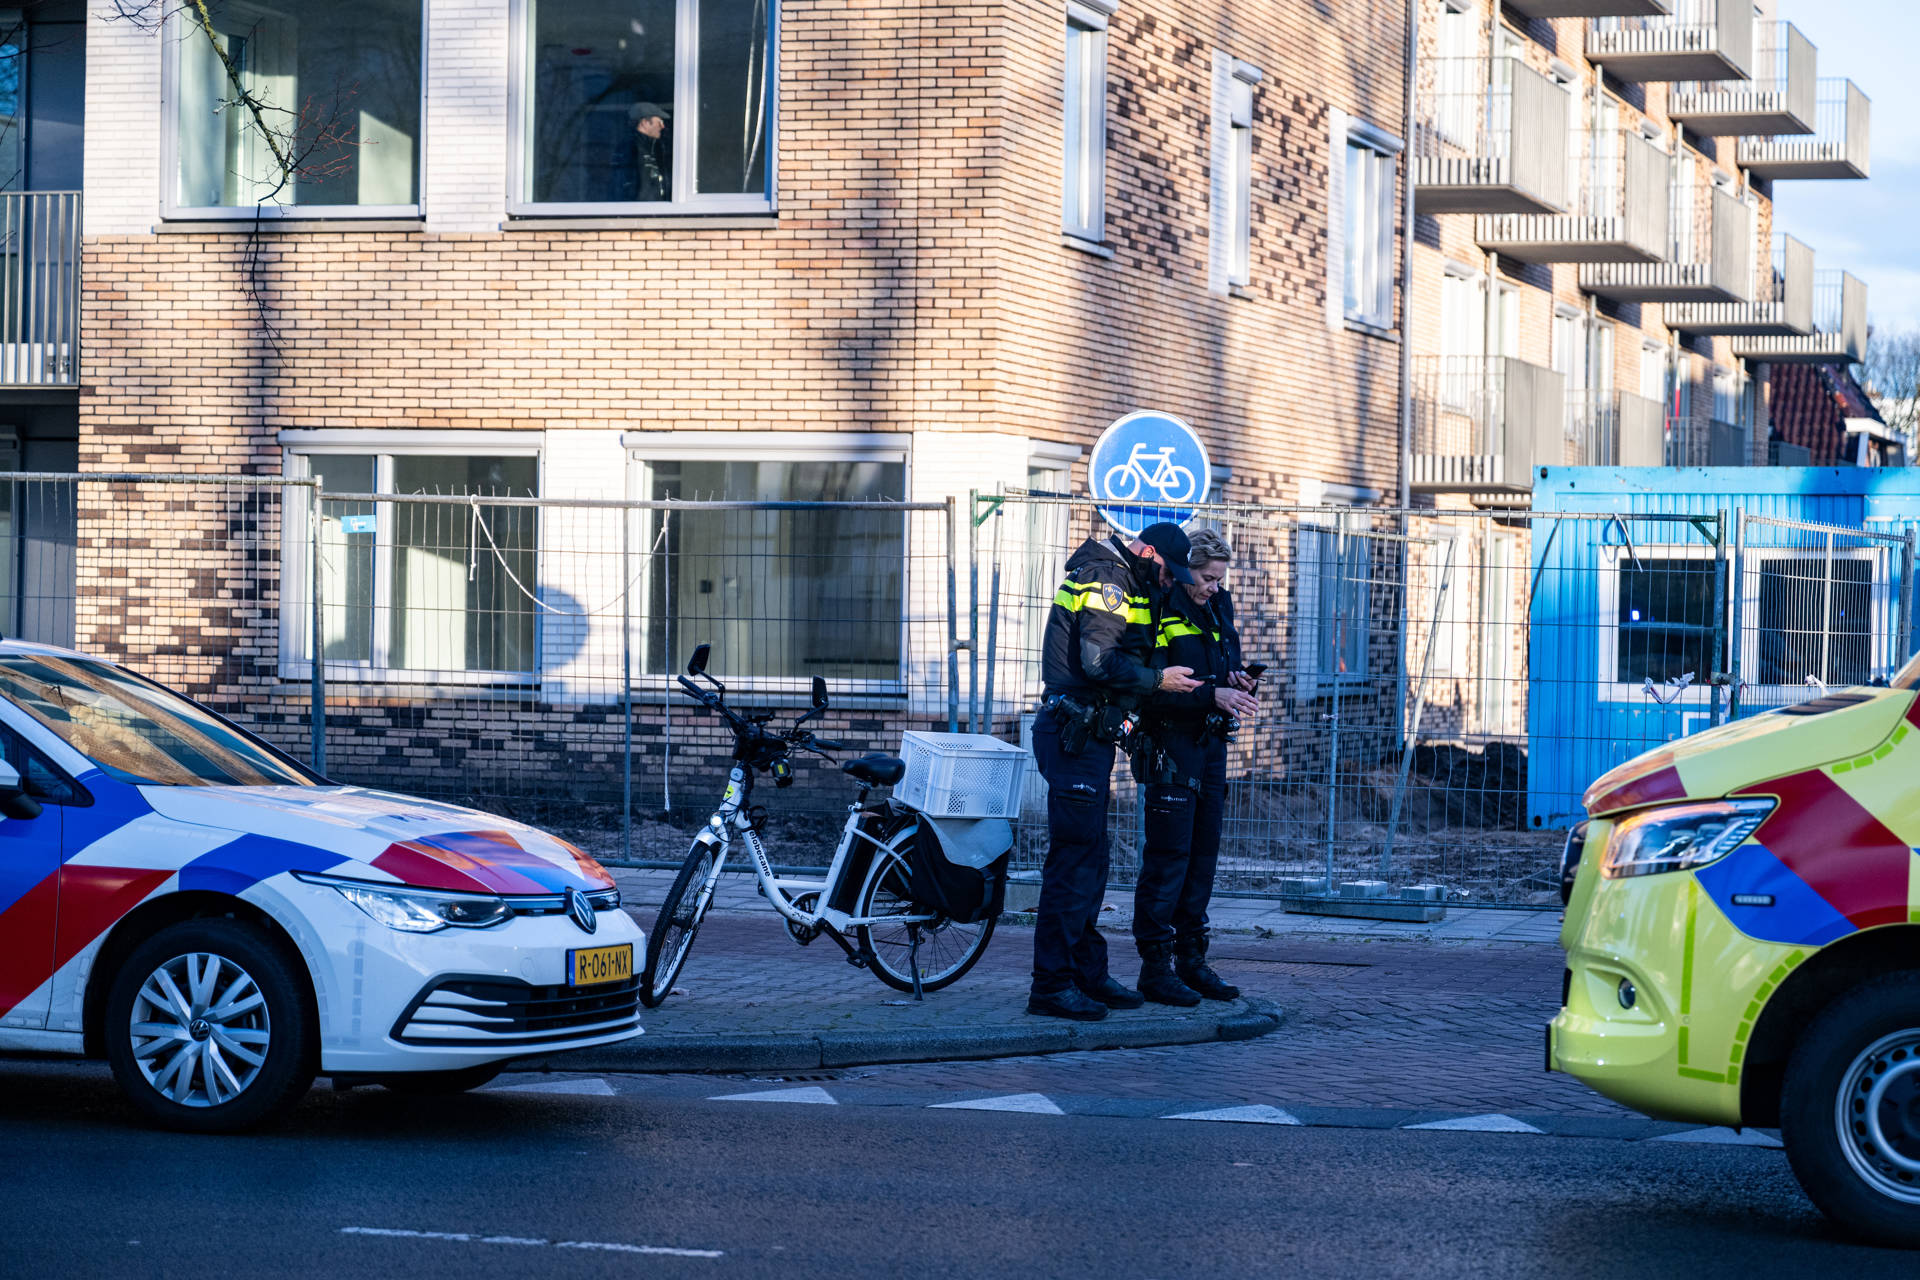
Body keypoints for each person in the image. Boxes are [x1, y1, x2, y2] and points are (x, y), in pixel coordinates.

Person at [1028, 521, 1203, 1021]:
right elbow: (1099, 660)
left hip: (1090, 735)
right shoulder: (1108, 577)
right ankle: (1051, 985)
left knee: (1093, 861)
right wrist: (1158, 681)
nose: (1170, 580)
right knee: (1074, 864)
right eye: (1169, 570)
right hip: (1073, 734)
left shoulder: (1125, 578)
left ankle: (1087, 975)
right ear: (1148, 552)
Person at [1130, 529, 1256, 1004]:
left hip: (1209, 744)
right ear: (1186, 573)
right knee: (1168, 859)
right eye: (1206, 578)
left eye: (1220, 579)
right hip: (1170, 743)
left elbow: (1223, 659)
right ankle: (1155, 968)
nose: (1214, 587)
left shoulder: (1217, 606)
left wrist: (1234, 678)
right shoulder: (1160, 607)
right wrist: (1211, 692)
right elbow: (1153, 682)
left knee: (1203, 856)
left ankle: (1192, 961)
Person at [628, 102, 671, 202]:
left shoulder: (652, 147)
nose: (662, 126)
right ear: (644, 123)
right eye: (659, 122)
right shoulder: (632, 148)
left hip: (652, 211)